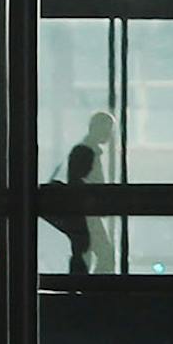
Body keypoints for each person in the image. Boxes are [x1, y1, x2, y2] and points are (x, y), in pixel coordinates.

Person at [45, 111, 117, 275]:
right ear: (95, 128)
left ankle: (82, 288)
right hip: (85, 212)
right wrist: (95, 200)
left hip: (83, 212)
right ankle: (93, 290)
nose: (109, 134)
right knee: (101, 253)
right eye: (107, 129)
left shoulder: (86, 151)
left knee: (85, 251)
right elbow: (76, 182)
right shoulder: (85, 151)